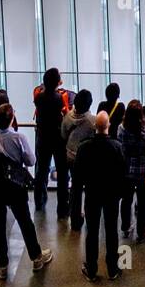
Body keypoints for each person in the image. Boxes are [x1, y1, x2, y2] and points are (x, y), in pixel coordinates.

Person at [0, 104, 53, 279]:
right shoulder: (19, 137)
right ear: (12, 119)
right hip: (16, 187)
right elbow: (31, 160)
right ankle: (36, 257)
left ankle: (2, 265)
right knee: (25, 222)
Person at [75, 111, 126, 282]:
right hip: (111, 195)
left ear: (95, 126)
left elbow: (77, 178)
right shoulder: (117, 147)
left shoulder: (84, 148)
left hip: (92, 195)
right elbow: (122, 174)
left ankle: (91, 268)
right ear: (108, 125)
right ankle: (112, 268)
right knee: (111, 230)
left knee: (92, 232)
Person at [32, 68, 69, 214]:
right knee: (62, 172)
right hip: (57, 138)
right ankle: (62, 207)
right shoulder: (58, 98)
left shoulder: (39, 97)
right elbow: (63, 113)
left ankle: (39, 202)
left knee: (41, 170)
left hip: (42, 137)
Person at [117, 99, 145, 242]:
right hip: (143, 172)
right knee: (143, 202)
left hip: (126, 171)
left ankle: (126, 227)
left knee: (126, 200)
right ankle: (141, 232)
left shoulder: (121, 129)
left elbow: (120, 148)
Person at [61, 88, 96, 230]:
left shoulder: (68, 117)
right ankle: (90, 216)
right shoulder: (92, 121)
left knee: (75, 188)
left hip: (70, 156)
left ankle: (75, 219)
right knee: (89, 189)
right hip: (86, 160)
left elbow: (63, 135)